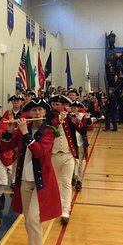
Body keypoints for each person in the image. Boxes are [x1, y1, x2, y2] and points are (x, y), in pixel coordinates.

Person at [0, 98, 61, 245]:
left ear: (45, 112)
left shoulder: (49, 131)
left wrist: (26, 133)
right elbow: (5, 146)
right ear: (29, 113)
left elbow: (39, 151)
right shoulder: (22, 129)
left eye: (40, 109)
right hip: (24, 181)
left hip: (41, 182)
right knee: (29, 221)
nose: (37, 112)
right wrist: (9, 131)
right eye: (33, 110)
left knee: (34, 219)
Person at [49, 94, 86, 225]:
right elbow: (46, 128)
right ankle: (58, 206)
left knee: (66, 183)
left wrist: (76, 120)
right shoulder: (49, 117)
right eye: (53, 104)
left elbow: (82, 130)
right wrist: (58, 119)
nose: (54, 107)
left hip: (69, 155)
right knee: (57, 183)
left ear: (64, 106)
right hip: (52, 155)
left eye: (57, 105)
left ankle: (65, 211)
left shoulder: (70, 118)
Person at [2, 94, 27, 191]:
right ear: (12, 102)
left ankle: (15, 180)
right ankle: (11, 180)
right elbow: (3, 124)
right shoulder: (7, 113)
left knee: (18, 160)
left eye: (18, 101)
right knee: (10, 160)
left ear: (21, 102)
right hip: (10, 138)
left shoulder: (25, 112)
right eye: (15, 101)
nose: (16, 102)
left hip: (20, 137)